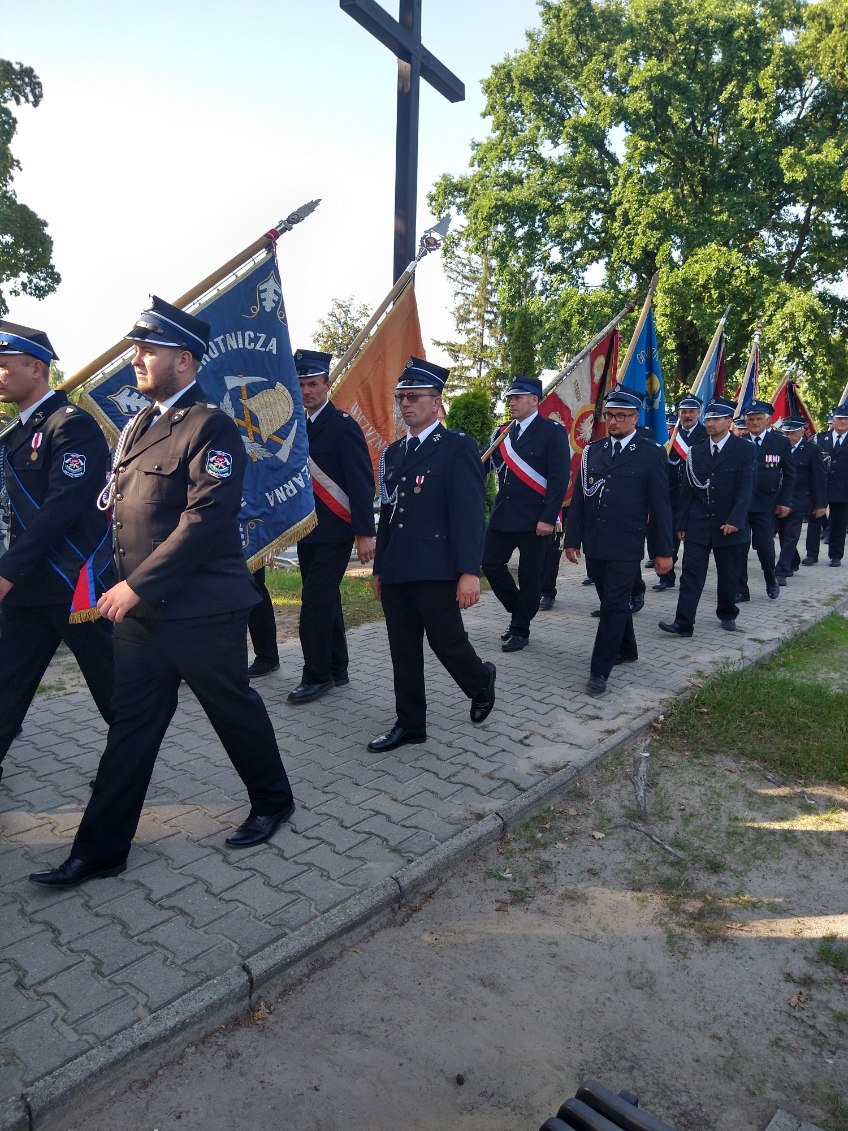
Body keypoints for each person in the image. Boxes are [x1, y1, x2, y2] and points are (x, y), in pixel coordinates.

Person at [30, 297, 295, 888]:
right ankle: (100, 849)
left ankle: (273, 800)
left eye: (148, 350)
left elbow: (204, 518)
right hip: (142, 617)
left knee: (232, 711)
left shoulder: (211, 425)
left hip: (200, 611)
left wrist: (136, 584)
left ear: (185, 358)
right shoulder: (138, 426)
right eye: (134, 349)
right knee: (131, 726)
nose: (136, 359)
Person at [0, 320, 114, 785]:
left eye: (5, 367)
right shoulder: (11, 436)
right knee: (7, 684)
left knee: (113, 689)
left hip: (72, 588)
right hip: (27, 590)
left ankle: (125, 768)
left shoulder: (73, 427)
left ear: (37, 368)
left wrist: (7, 570)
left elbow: (60, 509)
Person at [369, 358, 495, 752]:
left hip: (437, 569)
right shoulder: (393, 453)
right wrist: (378, 569)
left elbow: (470, 513)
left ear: (436, 402)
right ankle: (410, 724)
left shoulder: (456, 447)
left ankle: (480, 683)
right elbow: (388, 515)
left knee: (448, 643)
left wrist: (469, 571)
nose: (406, 404)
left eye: (415, 397)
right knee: (402, 651)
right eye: (401, 397)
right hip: (397, 571)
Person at [565, 386, 673, 696]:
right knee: (609, 601)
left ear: (635, 418)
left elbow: (660, 507)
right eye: (610, 415)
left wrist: (663, 552)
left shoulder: (651, 453)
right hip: (596, 543)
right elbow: (580, 501)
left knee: (613, 605)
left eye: (621, 416)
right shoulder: (592, 451)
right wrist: (572, 540)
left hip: (626, 545)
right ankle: (628, 648)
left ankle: (600, 669)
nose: (614, 421)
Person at [288, 348, 376, 704]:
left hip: (336, 531)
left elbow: (360, 481)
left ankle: (316, 675)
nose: (307, 391)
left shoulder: (342, 425)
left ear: (327, 384)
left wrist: (365, 532)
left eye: (312, 384)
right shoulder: (297, 426)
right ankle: (338, 667)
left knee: (314, 602)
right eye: (301, 385)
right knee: (326, 600)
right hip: (308, 530)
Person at [482, 375, 570, 652]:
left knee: (531, 576)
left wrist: (548, 517)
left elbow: (559, 478)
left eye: (518, 398)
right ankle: (520, 610)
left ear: (535, 400)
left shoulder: (552, 432)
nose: (512, 402)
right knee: (489, 563)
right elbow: (486, 464)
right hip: (504, 514)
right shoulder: (503, 433)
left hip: (535, 519)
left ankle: (520, 629)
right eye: (510, 398)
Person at [659, 397, 756, 637]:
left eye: (715, 419)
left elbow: (746, 489)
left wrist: (736, 520)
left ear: (728, 421)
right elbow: (687, 491)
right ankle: (683, 622)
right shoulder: (696, 450)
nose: (709, 423)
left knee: (728, 574)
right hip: (699, 523)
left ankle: (727, 613)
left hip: (729, 524)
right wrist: (681, 523)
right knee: (691, 574)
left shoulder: (744, 449)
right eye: (708, 419)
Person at [737, 400, 796, 601]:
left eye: (758, 419)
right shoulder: (740, 441)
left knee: (764, 547)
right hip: (742, 504)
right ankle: (741, 589)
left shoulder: (780, 442)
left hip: (765, 504)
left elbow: (789, 474)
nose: (754, 422)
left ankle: (771, 580)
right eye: (751, 419)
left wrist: (785, 501)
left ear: (768, 420)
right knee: (740, 547)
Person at [653, 393, 707, 592]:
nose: (687, 415)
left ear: (698, 413)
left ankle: (691, 579)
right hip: (673, 496)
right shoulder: (670, 435)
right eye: (683, 412)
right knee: (669, 537)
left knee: (693, 541)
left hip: (695, 496)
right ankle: (666, 577)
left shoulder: (706, 435)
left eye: (691, 412)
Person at [774, 419, 827, 584]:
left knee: (791, 535)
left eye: (793, 433)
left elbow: (819, 479)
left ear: (802, 432)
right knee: (783, 535)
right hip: (778, 499)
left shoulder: (812, 450)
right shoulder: (778, 448)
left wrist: (820, 504)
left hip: (799, 500)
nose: (789, 436)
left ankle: (781, 571)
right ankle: (793, 561)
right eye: (786, 433)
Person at [805, 404, 848, 567]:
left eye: (846, 419)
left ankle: (836, 556)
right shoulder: (820, 438)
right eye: (840, 418)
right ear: (833, 420)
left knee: (839, 523)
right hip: (819, 487)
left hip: (843, 488)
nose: (843, 422)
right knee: (815, 520)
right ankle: (811, 554)